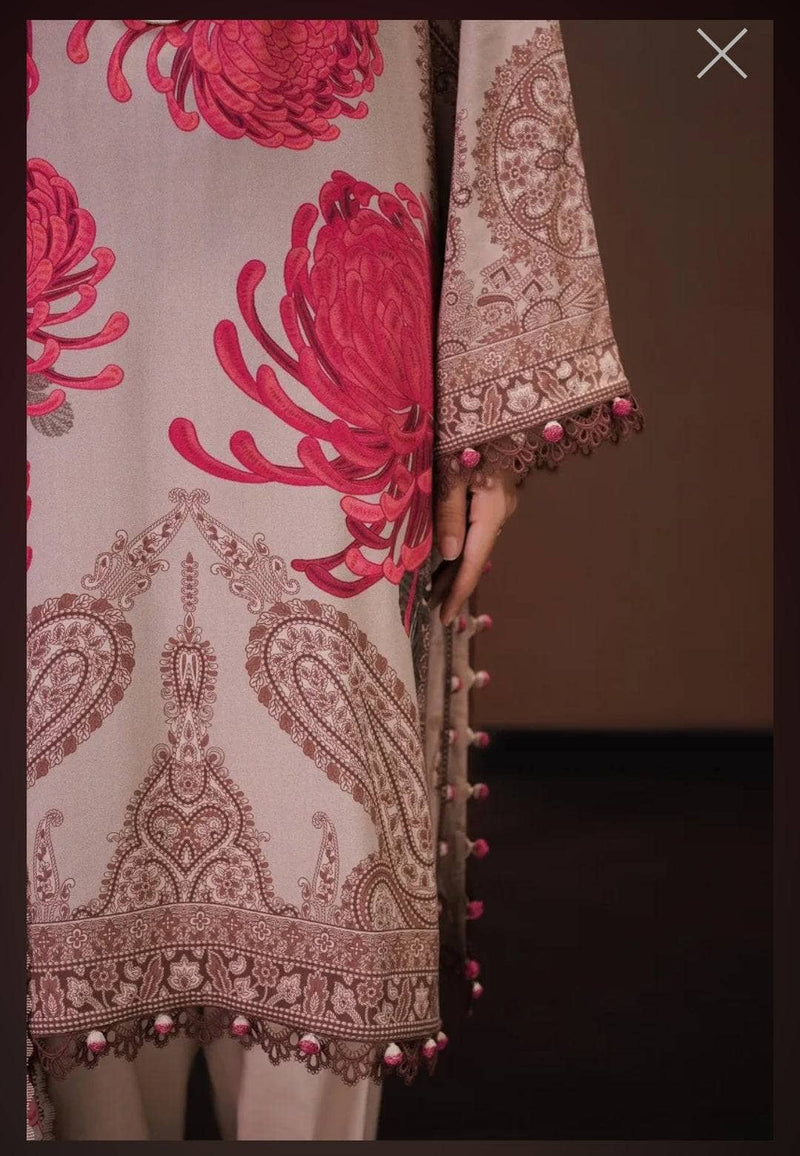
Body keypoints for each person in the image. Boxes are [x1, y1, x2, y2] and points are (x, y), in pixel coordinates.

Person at [26, 18, 643, 1141]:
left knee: (326, 816)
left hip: (330, 218)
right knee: (58, 813)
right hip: (56, 176)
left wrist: (491, 400)